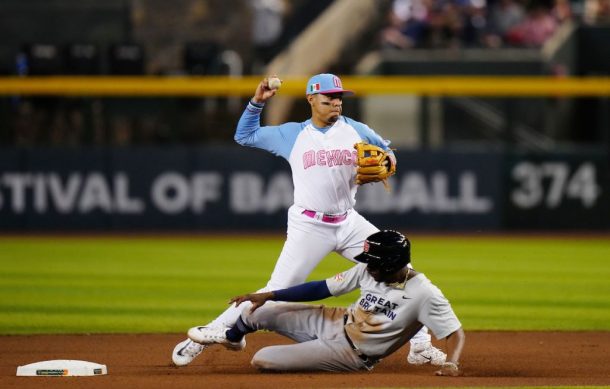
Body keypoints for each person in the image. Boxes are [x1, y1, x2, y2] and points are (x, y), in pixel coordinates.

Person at [172, 73, 445, 367]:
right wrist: (256, 103)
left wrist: (389, 161)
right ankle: (212, 333)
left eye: (339, 99)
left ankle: (419, 346)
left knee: (402, 273)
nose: (336, 105)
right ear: (311, 99)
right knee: (277, 288)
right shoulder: (292, 135)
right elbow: (245, 136)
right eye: (329, 99)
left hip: (349, 222)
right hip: (310, 225)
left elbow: (388, 152)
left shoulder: (357, 129)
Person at [188, 230, 465, 374]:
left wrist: (451, 363)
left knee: (263, 360)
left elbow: (454, 332)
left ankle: (315, 352)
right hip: (336, 319)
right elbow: (322, 288)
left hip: (352, 353)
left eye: (374, 264)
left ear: (393, 263)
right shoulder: (369, 270)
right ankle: (232, 338)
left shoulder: (425, 294)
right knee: (255, 311)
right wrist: (270, 295)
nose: (367, 267)